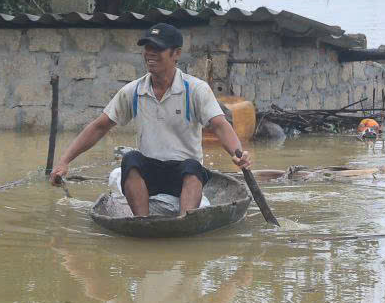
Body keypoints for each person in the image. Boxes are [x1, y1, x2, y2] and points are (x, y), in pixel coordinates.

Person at [49, 23, 253, 216]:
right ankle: (142, 222)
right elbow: (99, 127)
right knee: (130, 159)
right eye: (147, 48)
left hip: (183, 176)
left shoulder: (195, 89)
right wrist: (64, 161)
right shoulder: (134, 91)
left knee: (193, 166)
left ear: (176, 54)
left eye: (158, 48)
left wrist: (237, 154)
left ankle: (185, 220)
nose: (150, 54)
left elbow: (219, 125)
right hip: (150, 175)